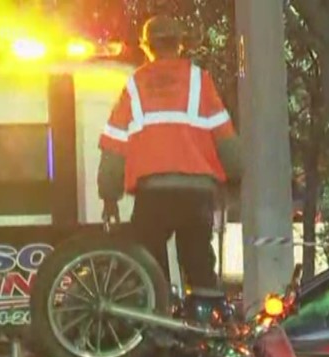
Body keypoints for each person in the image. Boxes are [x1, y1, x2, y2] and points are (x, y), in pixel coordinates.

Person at [97, 15, 242, 290]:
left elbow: (114, 145)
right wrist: (235, 178)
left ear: (146, 47)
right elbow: (225, 137)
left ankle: (159, 318)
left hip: (153, 194)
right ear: (180, 45)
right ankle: (203, 321)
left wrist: (109, 197)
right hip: (196, 193)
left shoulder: (135, 85)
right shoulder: (200, 81)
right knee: (198, 262)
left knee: (149, 268)